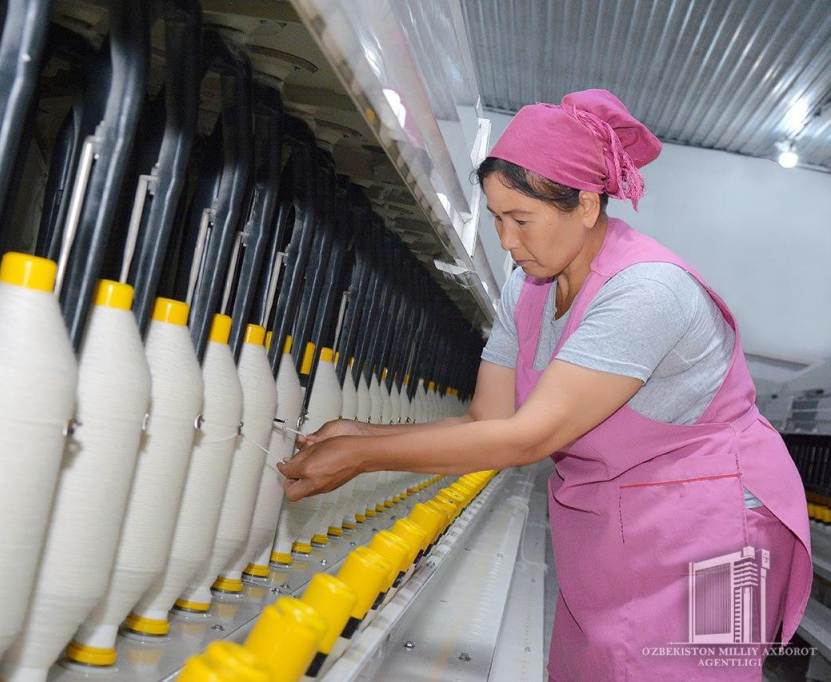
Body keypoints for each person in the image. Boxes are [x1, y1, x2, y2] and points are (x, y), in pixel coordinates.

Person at [277, 89, 812, 680]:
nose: (507, 241)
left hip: (718, 529)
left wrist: (364, 457)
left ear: (586, 204)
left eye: (522, 220)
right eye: (497, 219)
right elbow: (489, 421)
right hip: (627, 515)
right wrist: (362, 429)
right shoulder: (527, 287)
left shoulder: (646, 292)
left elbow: (528, 439)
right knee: (598, 664)